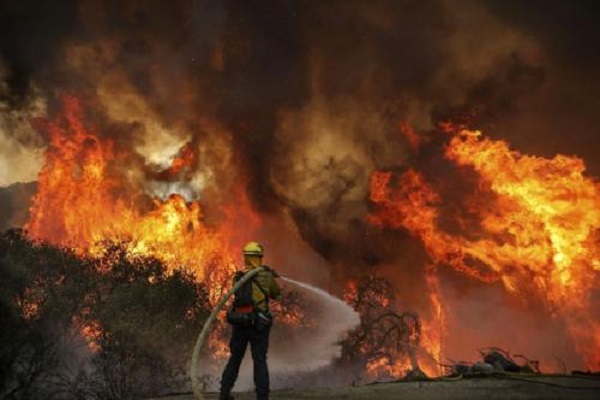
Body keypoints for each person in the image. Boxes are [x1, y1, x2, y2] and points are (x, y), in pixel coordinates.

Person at [220, 241, 281, 400]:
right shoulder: (266, 276)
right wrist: (270, 277)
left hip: (240, 322)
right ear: (260, 257)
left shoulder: (238, 277)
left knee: (235, 359)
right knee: (259, 360)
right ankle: (262, 397)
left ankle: (224, 393)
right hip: (258, 324)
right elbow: (276, 294)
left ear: (246, 257)